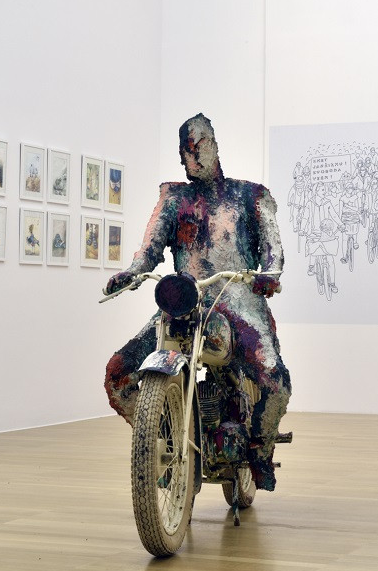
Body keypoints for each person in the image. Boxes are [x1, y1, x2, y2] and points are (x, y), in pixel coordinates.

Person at [103, 114, 290, 490]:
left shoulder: (250, 196)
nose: (191, 157)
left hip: (238, 299)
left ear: (214, 146)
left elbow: (273, 247)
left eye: (199, 147)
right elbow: (150, 247)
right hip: (187, 301)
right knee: (117, 374)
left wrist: (269, 274)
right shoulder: (174, 198)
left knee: (275, 380)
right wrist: (133, 271)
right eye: (184, 151)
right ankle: (165, 436)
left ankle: (259, 448)